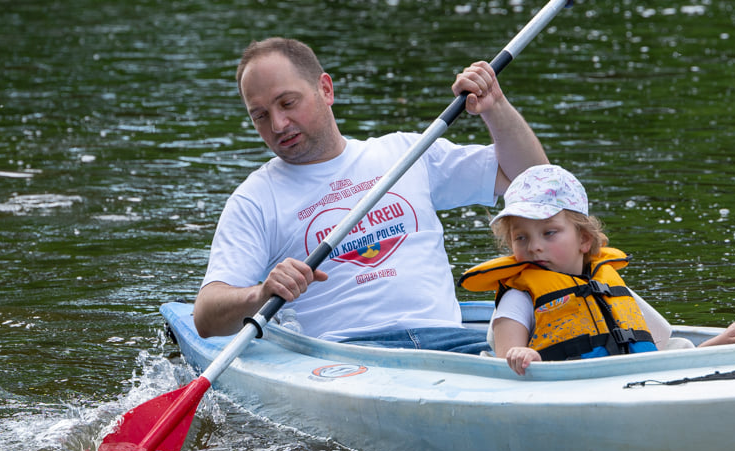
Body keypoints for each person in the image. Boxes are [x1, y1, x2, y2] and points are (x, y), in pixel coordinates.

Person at [193, 37, 549, 353]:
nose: (278, 125)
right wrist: (261, 293)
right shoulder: (255, 199)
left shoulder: (406, 151)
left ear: (326, 90)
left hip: (450, 344)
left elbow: (535, 182)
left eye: (287, 103)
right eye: (260, 115)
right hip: (348, 357)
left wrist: (495, 106)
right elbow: (207, 317)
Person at [459, 164, 735, 375]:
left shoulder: (606, 284)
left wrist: (717, 345)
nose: (534, 246)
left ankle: (715, 348)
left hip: (629, 383)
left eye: (549, 233)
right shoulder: (518, 297)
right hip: (560, 388)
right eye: (521, 237)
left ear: (584, 239)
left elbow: (659, 351)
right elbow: (504, 362)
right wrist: (523, 357)